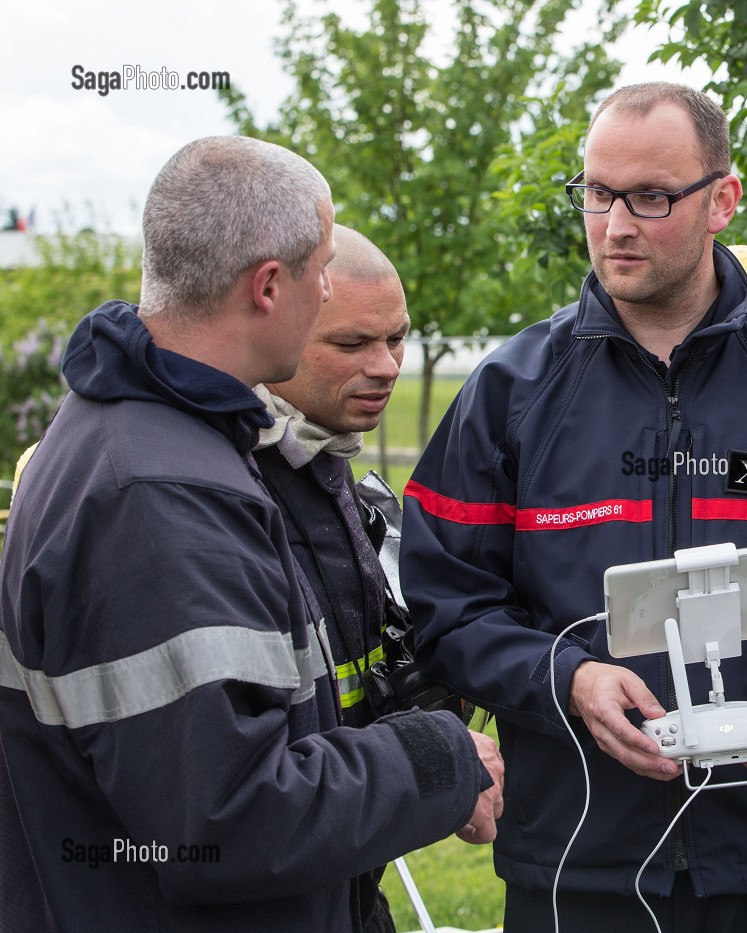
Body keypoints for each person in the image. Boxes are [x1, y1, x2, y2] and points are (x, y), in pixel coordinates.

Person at [401, 82, 747, 933]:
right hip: (579, 859)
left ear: (721, 201)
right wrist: (568, 679)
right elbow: (447, 602)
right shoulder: (511, 391)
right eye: (596, 193)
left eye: (652, 197)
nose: (616, 223)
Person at [0, 136, 503, 933]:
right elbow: (224, 819)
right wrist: (440, 761)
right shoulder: (160, 496)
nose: (332, 288)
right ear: (269, 285)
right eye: (323, 268)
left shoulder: (159, 438)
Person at [253, 223, 481, 932]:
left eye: (398, 339)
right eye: (352, 344)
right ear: (279, 331)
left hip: (340, 888)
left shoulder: (329, 474)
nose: (386, 365)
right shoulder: (223, 495)